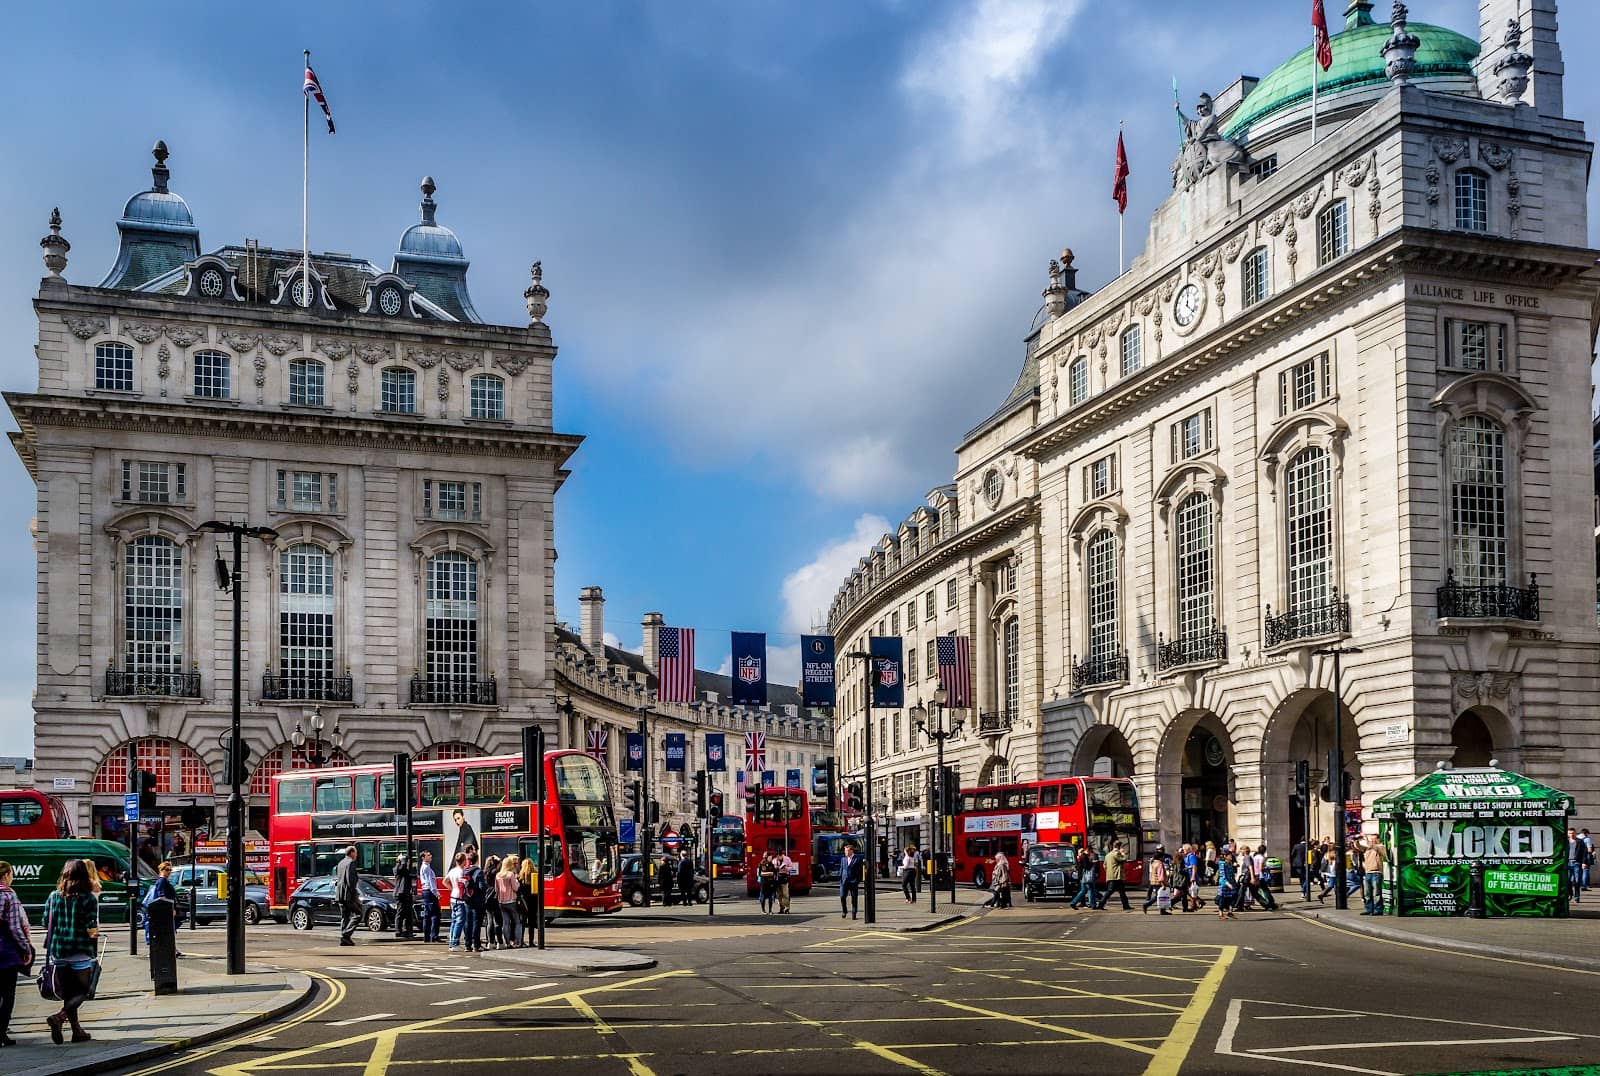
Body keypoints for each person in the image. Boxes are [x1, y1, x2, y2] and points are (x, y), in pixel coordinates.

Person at [43, 858, 99, 1044]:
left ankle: (77, 1031)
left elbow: (45, 922)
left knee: (69, 993)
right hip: (79, 950)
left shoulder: (53, 896)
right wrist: (95, 933)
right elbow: (91, 927)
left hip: (58, 950)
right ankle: (59, 1017)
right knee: (83, 991)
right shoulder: (88, 898)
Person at [0, 861, 34, 1047]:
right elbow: (14, 927)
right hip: (5, 951)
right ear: (6, 875)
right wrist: (26, 947)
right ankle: (1, 1033)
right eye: (11, 874)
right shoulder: (8, 895)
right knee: (7, 994)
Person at [142, 861, 182, 952]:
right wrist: (171, 909)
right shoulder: (162, 881)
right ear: (161, 870)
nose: (169, 872)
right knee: (167, 930)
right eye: (167, 870)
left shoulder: (164, 881)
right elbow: (162, 896)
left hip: (166, 909)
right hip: (165, 910)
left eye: (170, 870)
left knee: (169, 930)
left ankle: (172, 949)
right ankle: (169, 950)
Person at [334, 846, 361, 947]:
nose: (356, 855)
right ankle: (346, 934)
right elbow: (351, 881)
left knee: (345, 917)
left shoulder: (340, 863)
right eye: (356, 853)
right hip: (348, 894)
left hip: (340, 894)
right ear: (352, 853)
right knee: (358, 914)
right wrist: (354, 893)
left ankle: (345, 940)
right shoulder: (351, 863)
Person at [496, 855, 521, 948]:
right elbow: (515, 888)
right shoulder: (511, 875)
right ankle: (517, 942)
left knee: (505, 923)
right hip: (511, 900)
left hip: (501, 901)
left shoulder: (498, 875)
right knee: (517, 922)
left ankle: (507, 943)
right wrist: (517, 882)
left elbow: (496, 889)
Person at [446, 852, 469, 951]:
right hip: (460, 898)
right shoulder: (461, 872)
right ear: (464, 861)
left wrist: (452, 888)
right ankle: (455, 943)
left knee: (454, 921)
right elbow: (463, 885)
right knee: (460, 921)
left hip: (453, 897)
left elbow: (445, 881)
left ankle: (452, 942)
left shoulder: (452, 870)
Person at [1100, 841, 1131, 911]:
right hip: (1117, 876)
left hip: (1111, 876)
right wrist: (1123, 853)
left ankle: (1126, 905)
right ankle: (1101, 904)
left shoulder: (1108, 855)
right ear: (1118, 847)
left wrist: (1109, 871)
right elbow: (1124, 859)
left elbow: (1104, 865)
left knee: (1122, 892)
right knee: (1110, 891)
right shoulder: (1116, 854)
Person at [1360, 837, 1387, 915]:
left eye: (1374, 839)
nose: (1372, 840)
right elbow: (1359, 847)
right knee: (1367, 894)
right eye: (1371, 839)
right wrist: (1355, 842)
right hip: (1367, 872)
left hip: (1376, 872)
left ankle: (1378, 910)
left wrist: (1370, 843)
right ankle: (1369, 909)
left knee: (1377, 893)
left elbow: (1382, 852)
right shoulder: (1367, 848)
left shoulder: (1381, 847)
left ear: (1378, 839)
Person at [418, 851, 440, 943]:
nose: (430, 856)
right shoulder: (426, 868)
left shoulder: (425, 867)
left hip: (426, 892)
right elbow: (430, 882)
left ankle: (426, 937)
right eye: (428, 855)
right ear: (423, 858)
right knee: (435, 914)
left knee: (427, 915)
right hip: (429, 892)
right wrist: (436, 893)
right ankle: (433, 936)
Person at [481, 855, 503, 949]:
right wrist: (499, 860)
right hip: (494, 898)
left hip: (487, 898)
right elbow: (501, 866)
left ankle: (491, 942)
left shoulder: (484, 873)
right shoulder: (496, 872)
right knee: (498, 922)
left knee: (489, 921)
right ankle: (500, 942)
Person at [392, 854, 415, 939]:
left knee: (408, 913)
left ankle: (407, 931)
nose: (408, 863)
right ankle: (398, 930)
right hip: (400, 894)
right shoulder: (397, 868)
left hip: (406, 893)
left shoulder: (405, 870)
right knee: (400, 912)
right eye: (407, 861)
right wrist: (402, 861)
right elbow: (400, 869)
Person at [839, 843, 863, 919]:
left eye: (847, 851)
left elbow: (860, 872)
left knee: (854, 898)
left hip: (853, 882)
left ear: (851, 851)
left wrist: (858, 881)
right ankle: (844, 911)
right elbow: (841, 870)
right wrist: (841, 880)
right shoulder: (843, 859)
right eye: (845, 851)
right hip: (844, 882)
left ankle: (854, 913)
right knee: (842, 896)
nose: (845, 852)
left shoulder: (857, 859)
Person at [518, 856, 538, 945]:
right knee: (531, 923)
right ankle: (531, 941)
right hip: (533, 902)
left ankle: (521, 940)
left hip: (523, 903)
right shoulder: (535, 876)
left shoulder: (520, 877)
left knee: (522, 922)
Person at [1142, 849, 1169, 914]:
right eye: (1163, 857)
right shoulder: (1160, 864)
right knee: (1159, 896)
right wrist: (1163, 884)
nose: (1164, 858)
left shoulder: (1153, 863)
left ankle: (1162, 910)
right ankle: (1146, 905)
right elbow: (1160, 875)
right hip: (1158, 882)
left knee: (1160, 895)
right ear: (1160, 857)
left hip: (1154, 882)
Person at [1214, 851, 1238, 921]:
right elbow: (1222, 874)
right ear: (1225, 856)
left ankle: (1230, 911)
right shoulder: (1222, 864)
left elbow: (1232, 874)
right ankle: (1220, 913)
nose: (1231, 857)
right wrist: (1227, 883)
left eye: (1231, 856)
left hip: (1231, 882)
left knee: (1233, 896)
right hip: (1224, 883)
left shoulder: (1230, 863)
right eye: (1229, 856)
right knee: (1222, 898)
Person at [774, 848, 794, 913]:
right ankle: (781, 908)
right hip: (777, 879)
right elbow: (772, 868)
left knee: (785, 894)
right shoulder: (774, 860)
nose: (778, 858)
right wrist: (775, 868)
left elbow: (791, 867)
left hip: (784, 877)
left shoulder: (787, 859)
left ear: (781, 855)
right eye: (777, 856)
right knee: (778, 895)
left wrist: (786, 868)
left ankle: (787, 908)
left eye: (779, 856)